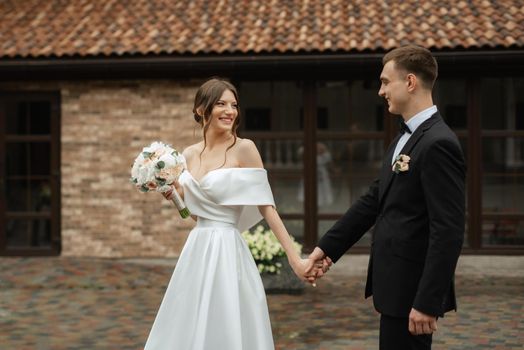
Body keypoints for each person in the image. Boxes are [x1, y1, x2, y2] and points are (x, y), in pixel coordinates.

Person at [309, 45, 466, 350]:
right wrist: (327, 248)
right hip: (394, 290)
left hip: (413, 297)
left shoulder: (438, 143)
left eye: (384, 81)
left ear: (410, 82)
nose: (380, 91)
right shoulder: (402, 140)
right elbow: (373, 200)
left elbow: (448, 230)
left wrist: (427, 301)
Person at [144, 78, 319, 350]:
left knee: (226, 322)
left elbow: (266, 206)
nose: (230, 111)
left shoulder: (244, 148)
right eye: (221, 104)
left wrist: (295, 259)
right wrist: (174, 196)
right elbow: (193, 215)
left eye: (234, 105)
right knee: (190, 322)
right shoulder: (188, 155)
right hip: (197, 249)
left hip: (227, 249)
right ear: (202, 109)